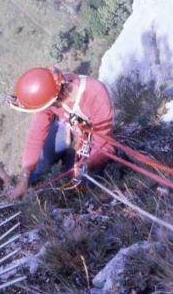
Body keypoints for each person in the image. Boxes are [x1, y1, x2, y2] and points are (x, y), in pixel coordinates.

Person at [8, 67, 114, 199]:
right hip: (68, 128)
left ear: (55, 99)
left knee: (85, 184)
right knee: (42, 163)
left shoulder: (95, 93)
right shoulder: (50, 91)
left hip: (91, 138)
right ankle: (31, 183)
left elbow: (104, 146)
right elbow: (35, 136)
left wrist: (88, 164)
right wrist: (25, 176)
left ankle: (70, 161)